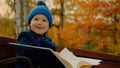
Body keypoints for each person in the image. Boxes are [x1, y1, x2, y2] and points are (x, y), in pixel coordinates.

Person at [16, 1, 56, 68]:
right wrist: (43, 44)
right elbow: (25, 52)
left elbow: (53, 52)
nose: (40, 23)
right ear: (30, 23)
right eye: (36, 19)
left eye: (44, 20)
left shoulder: (48, 40)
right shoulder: (25, 36)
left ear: (49, 27)